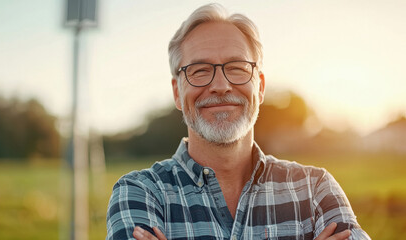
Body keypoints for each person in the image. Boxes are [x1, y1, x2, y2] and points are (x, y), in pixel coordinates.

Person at [106, 3, 370, 240]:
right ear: (177, 92)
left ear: (261, 86)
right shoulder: (140, 193)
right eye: (200, 71)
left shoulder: (315, 189)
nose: (221, 86)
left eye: (236, 68)